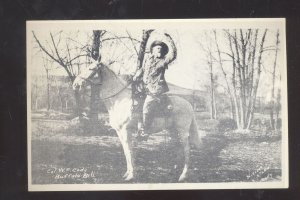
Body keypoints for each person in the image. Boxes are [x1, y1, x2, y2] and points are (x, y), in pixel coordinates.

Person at [132, 33, 177, 140]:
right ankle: (137, 126)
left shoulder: (163, 61)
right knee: (134, 103)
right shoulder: (147, 60)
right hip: (144, 88)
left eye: (161, 49)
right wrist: (137, 74)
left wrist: (170, 39)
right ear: (152, 50)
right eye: (157, 49)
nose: (159, 51)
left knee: (146, 107)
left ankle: (145, 132)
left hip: (156, 90)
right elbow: (142, 69)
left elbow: (173, 55)